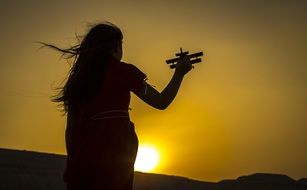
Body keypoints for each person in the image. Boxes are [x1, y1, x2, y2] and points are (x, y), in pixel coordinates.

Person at [42, 22, 192, 190]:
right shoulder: (123, 71)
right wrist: (179, 73)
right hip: (115, 156)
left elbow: (71, 130)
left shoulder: (79, 79)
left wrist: (73, 164)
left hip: (84, 158)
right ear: (115, 47)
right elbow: (161, 101)